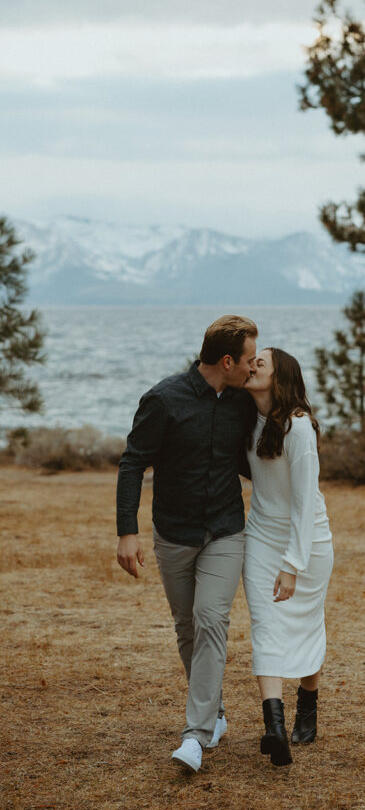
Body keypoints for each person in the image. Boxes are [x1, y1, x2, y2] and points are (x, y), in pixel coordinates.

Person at [116, 314, 258, 773]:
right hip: (173, 533)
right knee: (188, 628)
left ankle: (194, 737)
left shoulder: (243, 402)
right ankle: (214, 714)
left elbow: (255, 458)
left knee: (211, 619)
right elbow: (133, 463)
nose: (254, 368)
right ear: (227, 360)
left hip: (225, 529)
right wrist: (127, 532)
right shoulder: (163, 399)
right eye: (250, 360)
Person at [242, 347, 334, 766]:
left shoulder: (299, 429)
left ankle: (308, 704)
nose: (253, 364)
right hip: (261, 536)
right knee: (265, 623)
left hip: (308, 544)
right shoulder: (247, 420)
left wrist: (293, 566)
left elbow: (303, 502)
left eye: (262, 362)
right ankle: (274, 729)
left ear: (280, 378)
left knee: (307, 624)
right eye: (252, 360)